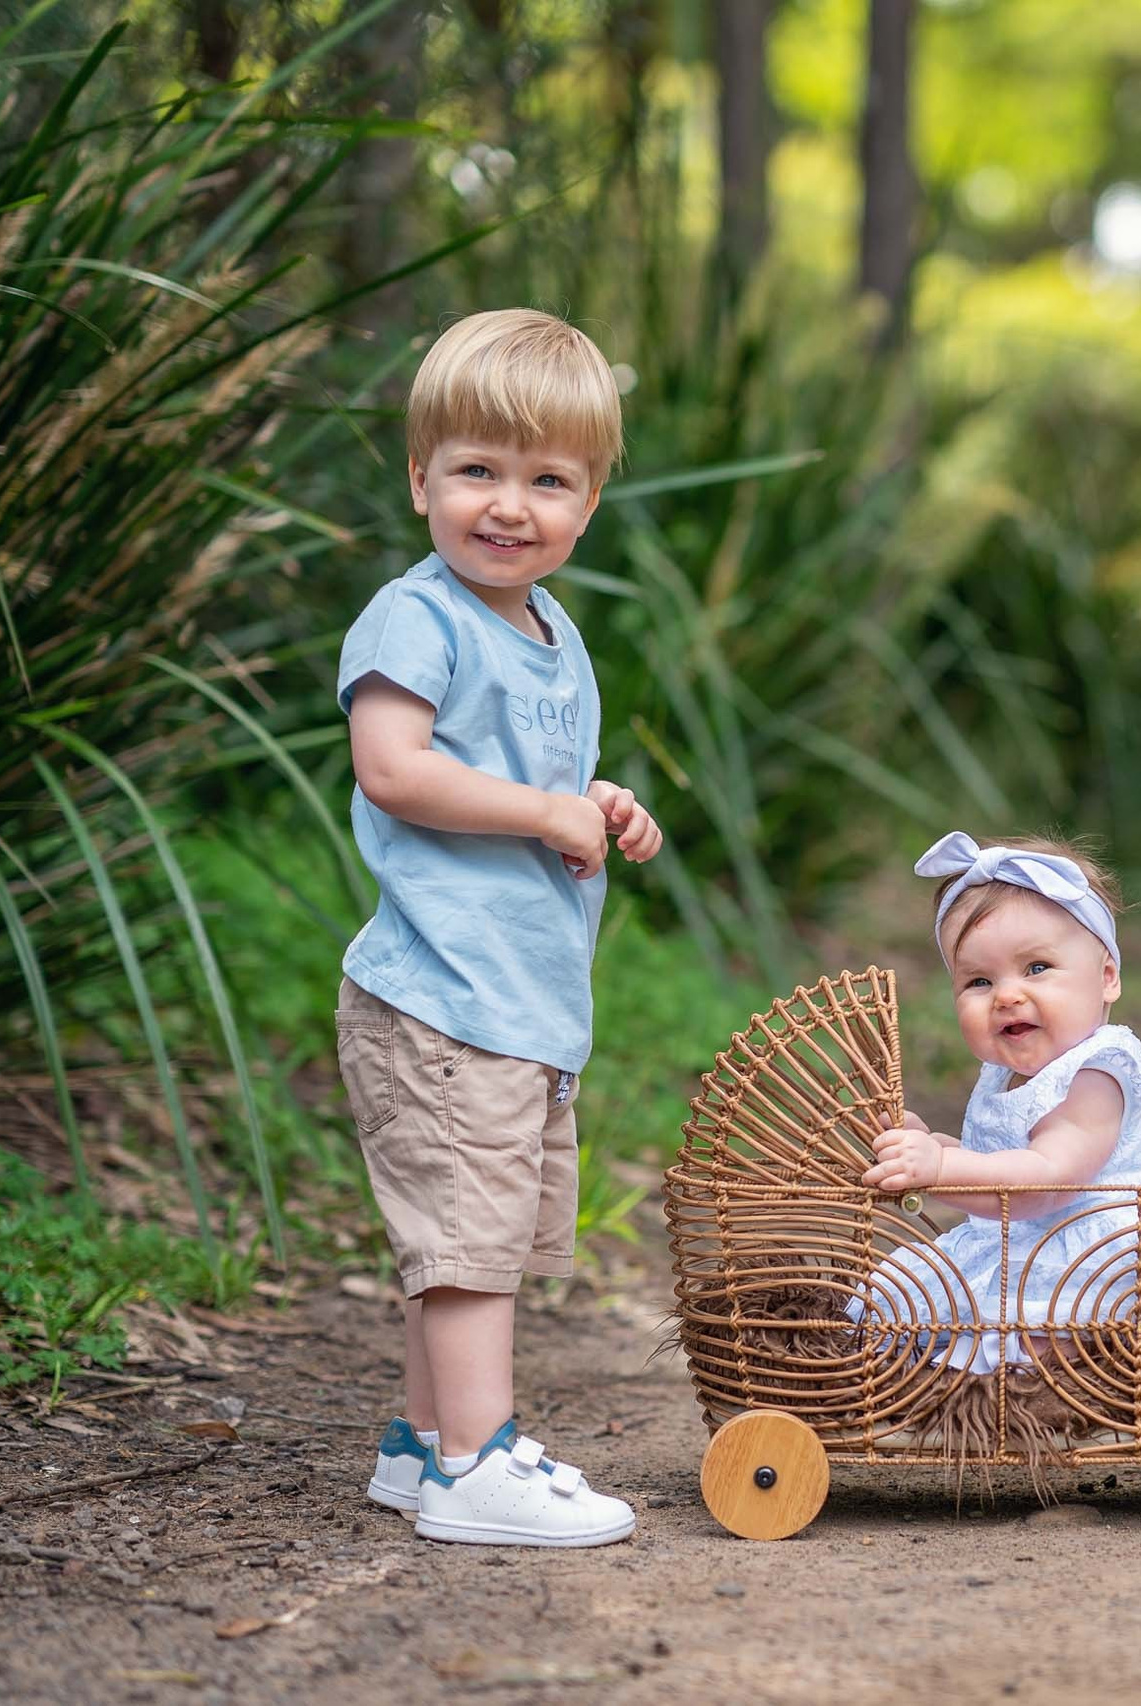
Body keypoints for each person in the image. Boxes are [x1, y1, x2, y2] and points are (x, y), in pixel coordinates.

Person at [334, 308, 664, 1547]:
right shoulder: (416, 617)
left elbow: (535, 776)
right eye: (476, 469)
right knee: (467, 1248)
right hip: (444, 996)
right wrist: (540, 806)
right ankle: (477, 1462)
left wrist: (593, 802)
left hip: (515, 1002)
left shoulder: (550, 630)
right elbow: (394, 768)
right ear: (420, 476)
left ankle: (425, 1448)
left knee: (473, 1240)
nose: (508, 504)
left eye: (547, 480)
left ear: (589, 501)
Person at [853, 833, 1141, 1372]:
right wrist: (928, 1142)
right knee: (900, 1296)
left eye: (1036, 969)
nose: (1007, 995)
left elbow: (1047, 1177)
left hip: (1111, 1246)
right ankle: (923, 1370)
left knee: (1045, 1321)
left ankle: (1063, 1371)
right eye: (979, 981)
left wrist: (939, 1169)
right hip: (1028, 1237)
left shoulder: (1097, 1070)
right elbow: (999, 1156)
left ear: (1106, 978)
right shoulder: (1003, 1073)